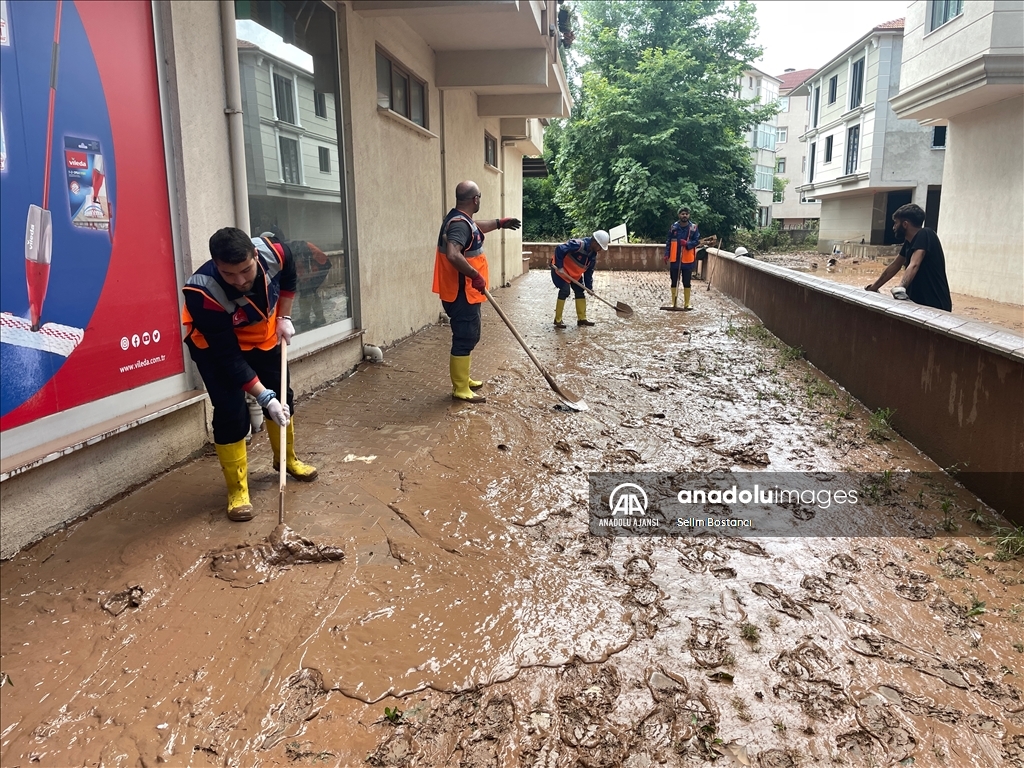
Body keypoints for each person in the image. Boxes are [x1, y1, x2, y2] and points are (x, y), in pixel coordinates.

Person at [181, 227, 318, 522]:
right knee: (231, 411)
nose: (241, 280)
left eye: (246, 270)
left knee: (283, 397)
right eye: (229, 274)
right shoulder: (201, 292)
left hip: (261, 335)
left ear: (255, 255)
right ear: (216, 265)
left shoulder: (276, 253)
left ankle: (286, 460)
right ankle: (238, 490)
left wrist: (284, 316)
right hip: (214, 348)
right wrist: (263, 396)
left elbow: (289, 278)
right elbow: (229, 357)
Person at [432, 180, 521, 404]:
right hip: (461, 292)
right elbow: (453, 254)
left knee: (471, 334)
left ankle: (464, 378)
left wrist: (499, 223)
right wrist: (475, 275)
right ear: (475, 199)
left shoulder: (461, 219)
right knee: (465, 337)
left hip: (466, 292)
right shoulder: (459, 225)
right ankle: (460, 388)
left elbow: (475, 227)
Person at [866, 203, 952, 311]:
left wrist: (901, 288)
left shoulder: (926, 234)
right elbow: (895, 266)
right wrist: (874, 287)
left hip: (935, 303)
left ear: (905, 224)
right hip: (919, 303)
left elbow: (914, 264)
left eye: (896, 223)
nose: (893, 227)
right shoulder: (909, 243)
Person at [550, 231, 610, 328]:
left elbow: (588, 273)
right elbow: (559, 248)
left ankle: (582, 319)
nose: (600, 250)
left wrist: (589, 288)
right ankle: (558, 320)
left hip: (574, 275)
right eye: (600, 247)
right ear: (595, 242)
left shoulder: (592, 256)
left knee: (580, 291)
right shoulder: (578, 245)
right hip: (560, 271)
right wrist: (560, 266)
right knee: (565, 291)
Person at [664, 207, 701, 309]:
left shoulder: (693, 228)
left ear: (689, 215)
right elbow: (669, 241)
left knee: (686, 282)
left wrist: (687, 244)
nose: (684, 215)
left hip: (688, 260)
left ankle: (687, 303)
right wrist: (667, 254)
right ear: (679, 215)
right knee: (674, 281)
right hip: (675, 259)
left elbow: (697, 241)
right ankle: (673, 303)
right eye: (682, 214)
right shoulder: (674, 228)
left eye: (686, 214)